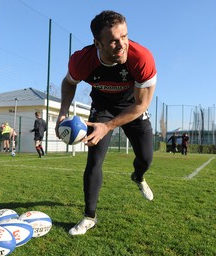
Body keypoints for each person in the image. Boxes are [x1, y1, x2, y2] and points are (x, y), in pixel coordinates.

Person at [55, 10, 157, 236]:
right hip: (102, 108)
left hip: (132, 107)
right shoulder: (82, 60)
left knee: (146, 158)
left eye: (125, 37)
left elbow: (141, 105)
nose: (122, 45)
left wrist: (109, 126)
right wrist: (63, 112)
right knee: (94, 160)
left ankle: (138, 177)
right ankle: (89, 216)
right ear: (97, 43)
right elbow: (69, 82)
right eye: (113, 41)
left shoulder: (142, 58)